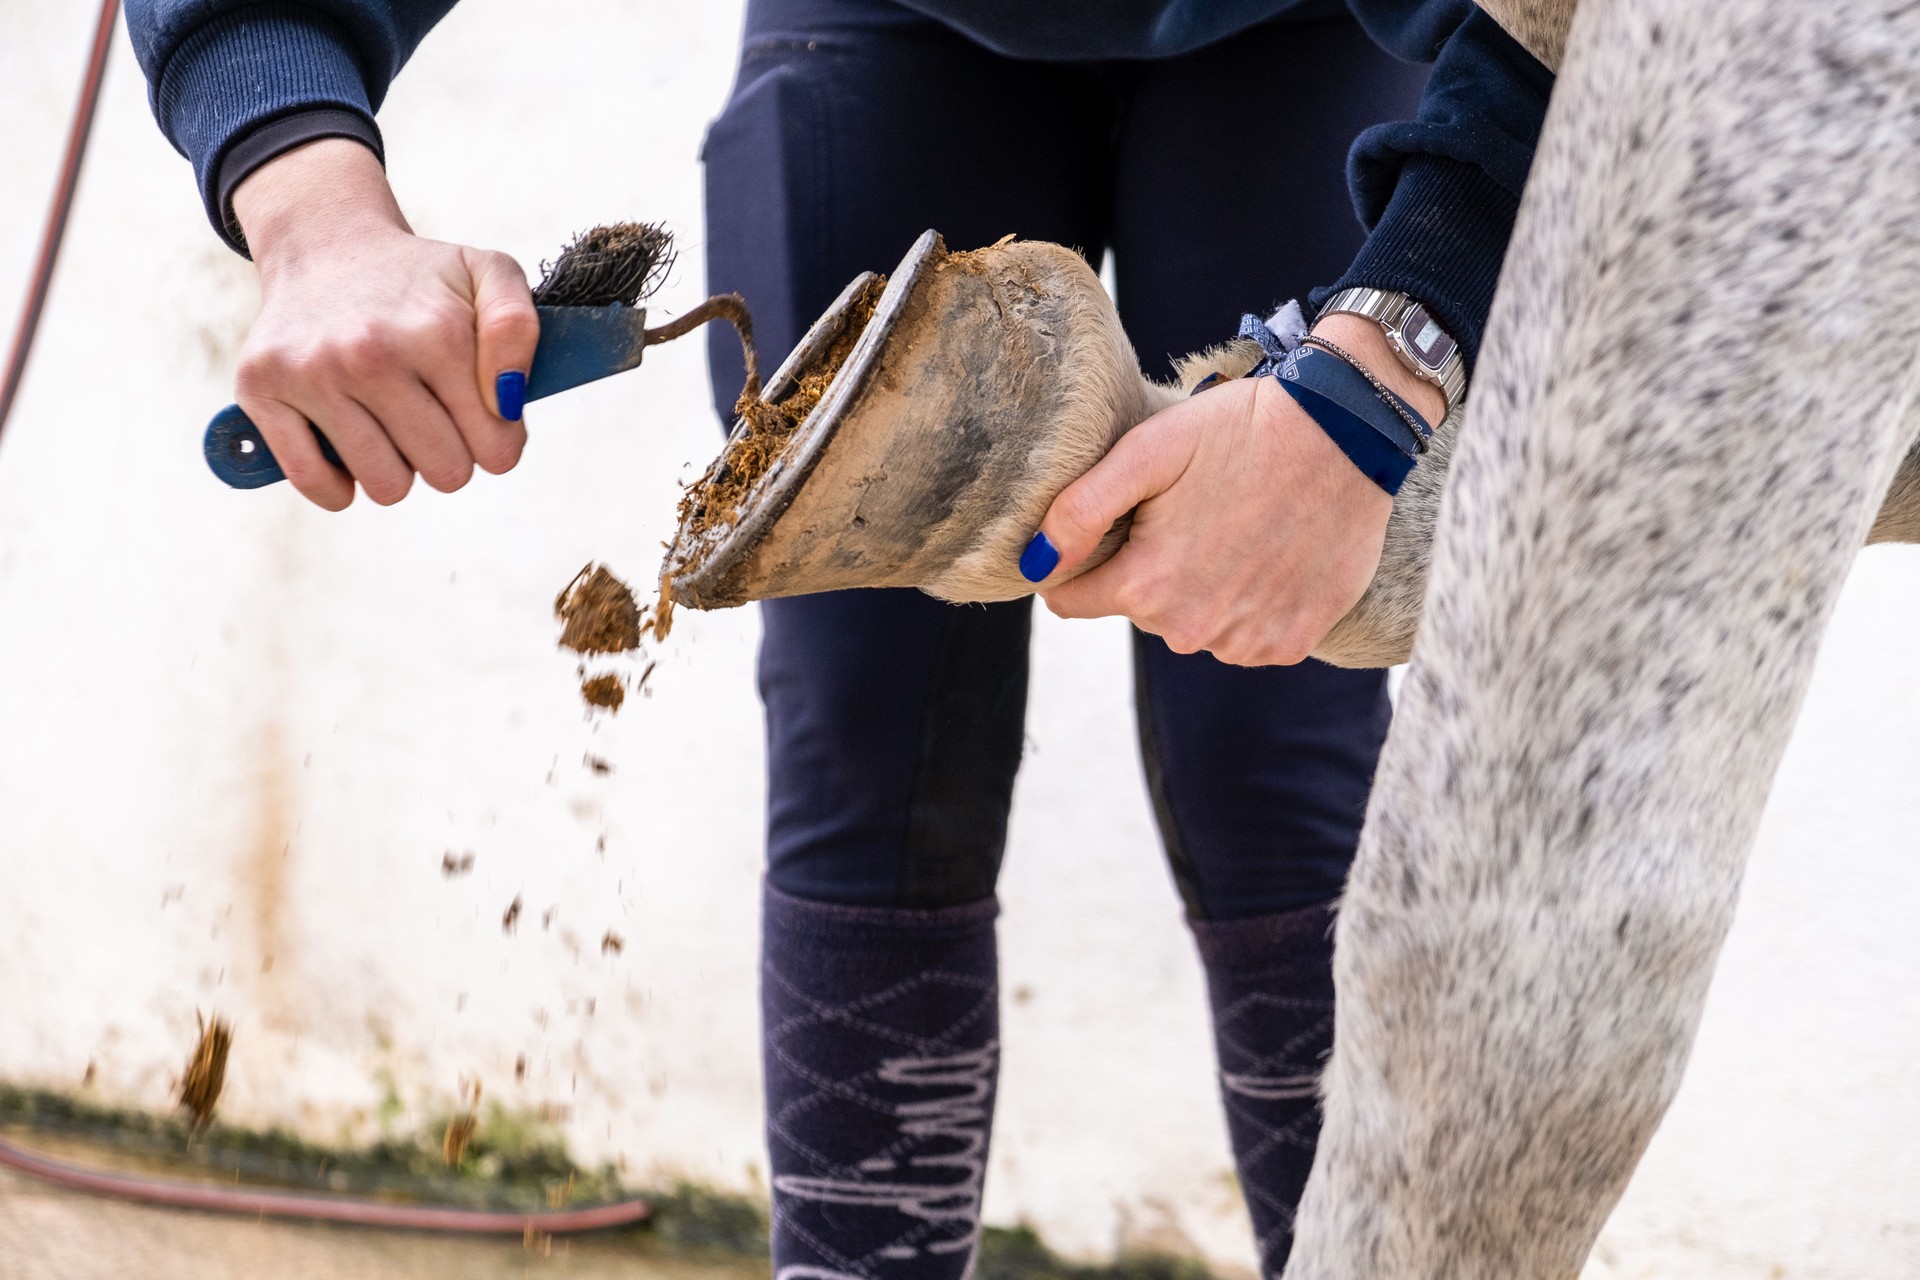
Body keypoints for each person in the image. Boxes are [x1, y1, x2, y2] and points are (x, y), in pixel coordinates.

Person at [123, 2, 1551, 1276]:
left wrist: (1392, 353)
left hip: (1307, 30)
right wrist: (311, 205)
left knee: (1277, 750)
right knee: (870, 736)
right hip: (888, 35)